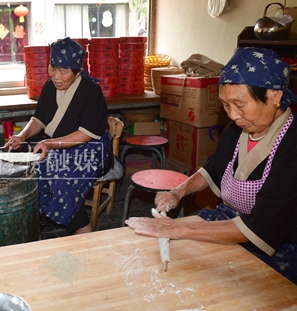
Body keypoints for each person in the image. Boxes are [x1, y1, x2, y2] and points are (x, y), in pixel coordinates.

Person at [125, 47, 297, 284]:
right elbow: (211, 169)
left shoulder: (292, 144)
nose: (233, 115)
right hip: (228, 221)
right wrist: (178, 192)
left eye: (240, 104)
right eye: (226, 105)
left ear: (275, 96)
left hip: (277, 246)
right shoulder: (239, 128)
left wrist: (179, 229)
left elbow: (261, 228)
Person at [6, 37, 112, 234]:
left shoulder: (91, 91)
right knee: (35, 173)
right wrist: (22, 136)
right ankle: (46, 218)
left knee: (63, 178)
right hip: (58, 146)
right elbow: (38, 119)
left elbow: (84, 135)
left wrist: (50, 143)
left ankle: (83, 231)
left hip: (90, 149)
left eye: (63, 71)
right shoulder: (49, 86)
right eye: (53, 68)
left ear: (78, 71)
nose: (56, 76)